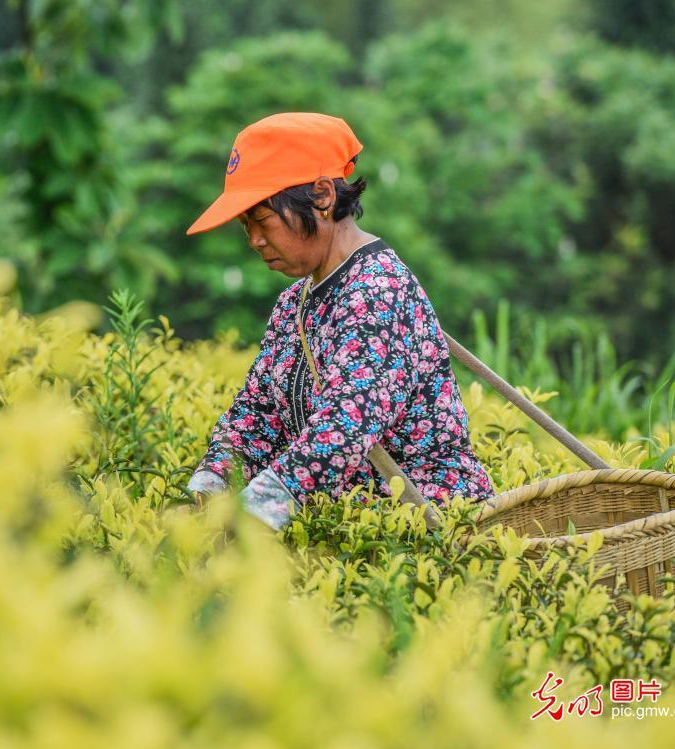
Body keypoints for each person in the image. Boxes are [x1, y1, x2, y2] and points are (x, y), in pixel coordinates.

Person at [184, 112, 495, 531]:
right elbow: (257, 415)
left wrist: (252, 512)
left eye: (261, 220)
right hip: (351, 529)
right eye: (246, 226)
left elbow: (344, 427)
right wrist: (213, 481)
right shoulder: (295, 301)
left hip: (423, 533)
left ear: (323, 197)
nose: (254, 240)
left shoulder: (380, 291)